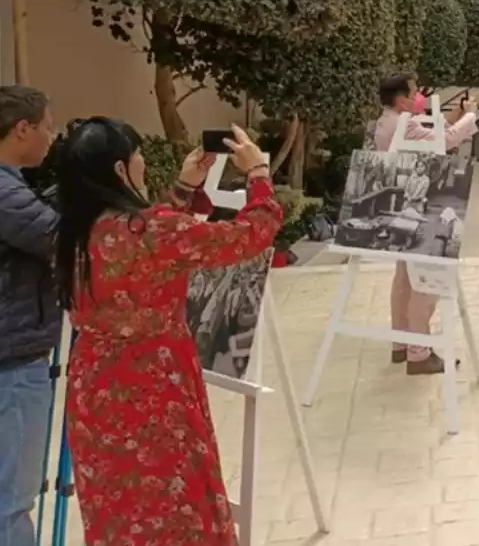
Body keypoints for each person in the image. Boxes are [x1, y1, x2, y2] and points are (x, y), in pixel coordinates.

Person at [54, 119, 280, 545]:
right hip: (153, 385)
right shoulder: (150, 230)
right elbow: (250, 237)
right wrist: (258, 176)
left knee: (118, 508)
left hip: (94, 387)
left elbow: (148, 241)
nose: (142, 163)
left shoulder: (72, 230)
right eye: (138, 155)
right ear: (121, 169)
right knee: (174, 507)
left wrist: (182, 187)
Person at [373, 73, 478, 374]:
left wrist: (456, 115)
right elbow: (446, 141)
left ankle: (401, 343)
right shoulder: (405, 124)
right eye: (414, 92)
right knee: (426, 279)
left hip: (398, 209)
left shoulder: (386, 121)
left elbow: (433, 133)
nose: (419, 96)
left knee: (405, 278)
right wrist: (470, 116)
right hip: (419, 209)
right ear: (401, 98)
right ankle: (419, 351)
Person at [0, 86, 58, 546]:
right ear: (24, 128)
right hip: (13, 365)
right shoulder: (4, 192)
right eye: (48, 128)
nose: (51, 138)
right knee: (10, 503)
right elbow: (65, 240)